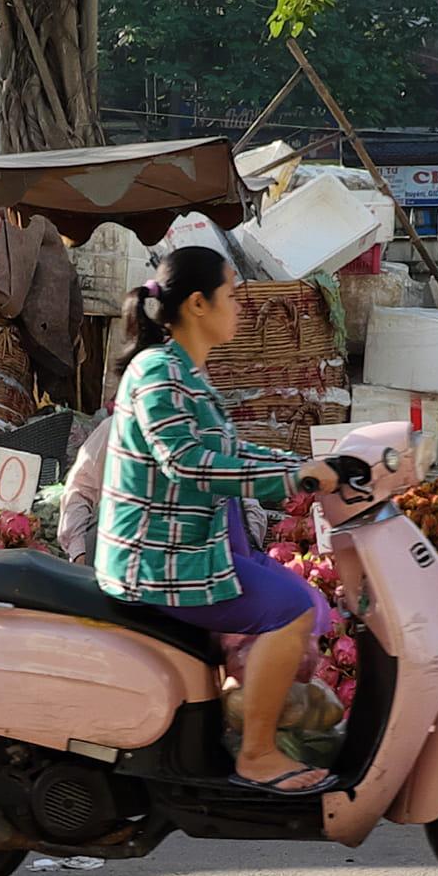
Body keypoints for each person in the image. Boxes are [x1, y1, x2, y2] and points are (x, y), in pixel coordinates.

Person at [99, 244, 356, 793]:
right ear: (198, 303)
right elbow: (187, 462)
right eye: (233, 295)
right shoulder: (159, 372)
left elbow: (232, 452)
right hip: (159, 562)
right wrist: (293, 476)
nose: (241, 306)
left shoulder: (185, 371)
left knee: (302, 602)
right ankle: (257, 755)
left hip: (191, 548)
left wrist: (305, 469)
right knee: (290, 610)